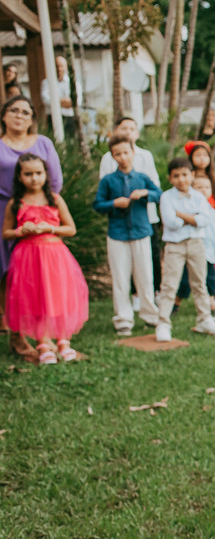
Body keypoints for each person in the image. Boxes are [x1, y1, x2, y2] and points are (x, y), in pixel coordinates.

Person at [1, 153, 88, 364]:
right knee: (36, 298)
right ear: (20, 177)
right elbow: (6, 232)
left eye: (38, 173)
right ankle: (42, 342)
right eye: (28, 174)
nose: (34, 178)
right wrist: (21, 230)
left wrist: (50, 227)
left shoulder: (54, 199)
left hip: (54, 255)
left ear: (46, 175)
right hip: (28, 258)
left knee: (58, 296)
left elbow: (71, 229)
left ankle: (63, 341)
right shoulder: (16, 203)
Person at [0, 94, 62, 361]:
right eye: (14, 110)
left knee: (32, 274)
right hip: (4, 209)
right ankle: (16, 333)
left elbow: (55, 180)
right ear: (4, 116)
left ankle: (42, 333)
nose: (19, 115)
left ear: (32, 119)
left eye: (26, 112)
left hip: (36, 213)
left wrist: (44, 208)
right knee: (6, 273)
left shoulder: (43, 143)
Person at [95, 134, 161, 336]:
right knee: (121, 277)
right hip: (117, 234)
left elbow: (159, 194)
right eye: (118, 154)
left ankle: (150, 314)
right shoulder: (108, 181)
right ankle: (123, 318)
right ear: (113, 156)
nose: (123, 157)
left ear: (133, 152)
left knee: (145, 275)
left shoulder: (142, 178)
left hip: (141, 231)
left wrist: (145, 194)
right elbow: (98, 204)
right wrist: (114, 203)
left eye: (125, 152)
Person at [155, 157, 215, 342]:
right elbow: (171, 222)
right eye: (176, 176)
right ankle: (163, 322)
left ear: (192, 175)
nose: (181, 179)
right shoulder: (166, 197)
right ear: (170, 178)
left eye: (185, 174)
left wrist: (182, 215)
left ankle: (204, 319)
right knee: (170, 284)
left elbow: (204, 220)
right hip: (175, 245)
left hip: (196, 243)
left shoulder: (199, 197)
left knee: (199, 283)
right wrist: (192, 218)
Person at [99, 117, 164, 294]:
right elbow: (103, 187)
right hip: (119, 217)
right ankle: (134, 294)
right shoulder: (107, 159)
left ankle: (153, 292)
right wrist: (116, 201)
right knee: (124, 261)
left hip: (145, 215)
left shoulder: (145, 156)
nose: (128, 131)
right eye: (123, 128)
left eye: (131, 128)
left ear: (137, 132)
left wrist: (144, 194)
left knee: (150, 256)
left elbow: (155, 185)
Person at [176, 140, 215, 314]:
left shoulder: (214, 176)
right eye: (198, 155)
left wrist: (214, 215)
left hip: (212, 221)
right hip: (194, 233)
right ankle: (177, 302)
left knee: (211, 272)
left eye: (205, 155)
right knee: (190, 273)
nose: (202, 159)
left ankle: (214, 302)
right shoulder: (189, 178)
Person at [40, 55, 75, 135]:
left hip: (69, 118)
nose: (59, 69)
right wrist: (65, 101)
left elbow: (75, 102)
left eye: (61, 66)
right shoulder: (46, 83)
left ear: (66, 67)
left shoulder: (73, 83)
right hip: (51, 118)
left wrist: (54, 100)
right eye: (57, 66)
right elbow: (45, 100)